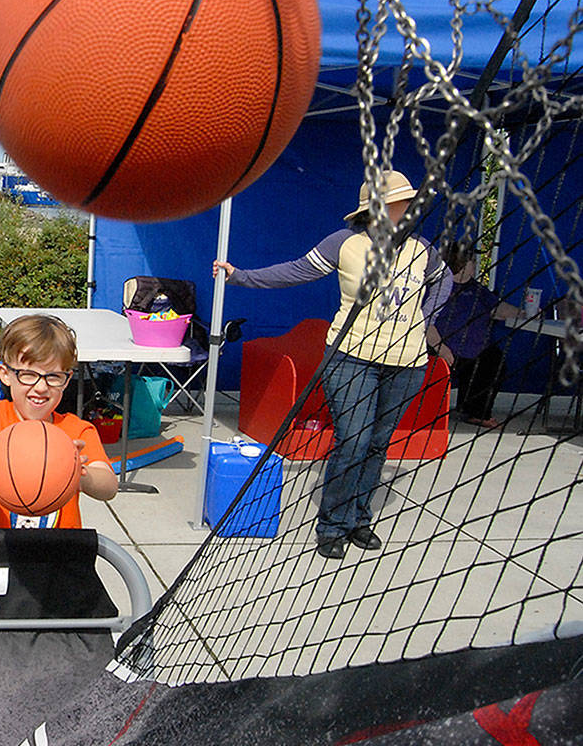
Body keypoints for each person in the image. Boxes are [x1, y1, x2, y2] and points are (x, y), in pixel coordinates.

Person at [214, 170, 452, 559]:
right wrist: (239, 276)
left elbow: (443, 283)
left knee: (378, 442)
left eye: (409, 202)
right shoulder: (344, 244)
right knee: (354, 439)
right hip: (350, 358)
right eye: (400, 203)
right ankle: (333, 524)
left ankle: (359, 518)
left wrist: (425, 321)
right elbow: (294, 271)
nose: (408, 208)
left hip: (407, 363)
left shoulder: (422, 248)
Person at [0, 313, 118, 528]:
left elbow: (109, 487)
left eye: (53, 376)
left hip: (59, 552)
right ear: (5, 374)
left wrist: (78, 474)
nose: (41, 387)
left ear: (67, 380)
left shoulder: (76, 430)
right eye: (28, 374)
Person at [433, 241, 523, 429]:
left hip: (475, 351)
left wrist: (522, 313)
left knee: (493, 361)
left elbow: (497, 309)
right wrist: (441, 348)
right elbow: (425, 321)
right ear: (460, 263)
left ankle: (475, 412)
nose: (475, 264)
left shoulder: (477, 289)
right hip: (444, 350)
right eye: (472, 261)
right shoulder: (439, 287)